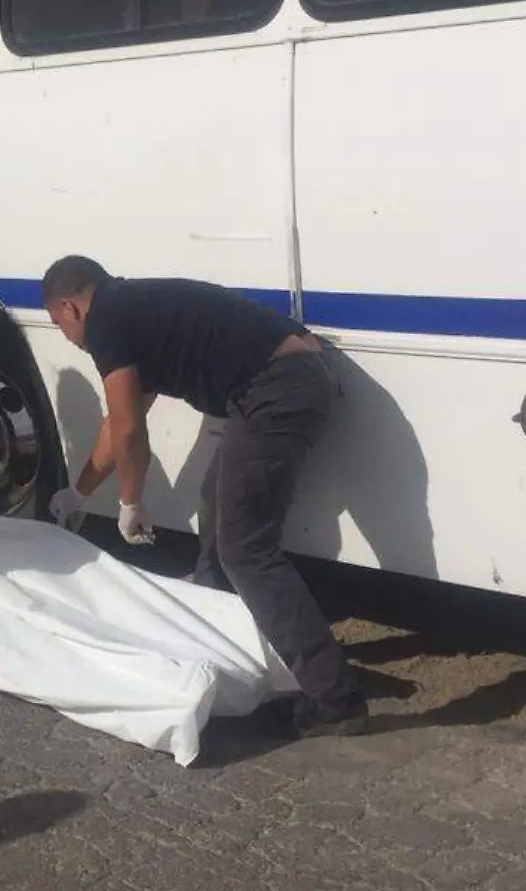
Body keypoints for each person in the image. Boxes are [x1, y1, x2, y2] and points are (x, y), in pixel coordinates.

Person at [41, 255, 368, 739]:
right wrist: (78, 492)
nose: (64, 335)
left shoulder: (107, 320)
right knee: (217, 504)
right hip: (290, 377)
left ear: (70, 307)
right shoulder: (134, 309)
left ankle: (334, 700)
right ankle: (217, 642)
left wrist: (131, 502)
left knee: (246, 548)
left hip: (277, 388)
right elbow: (120, 422)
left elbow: (129, 430)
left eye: (56, 324)